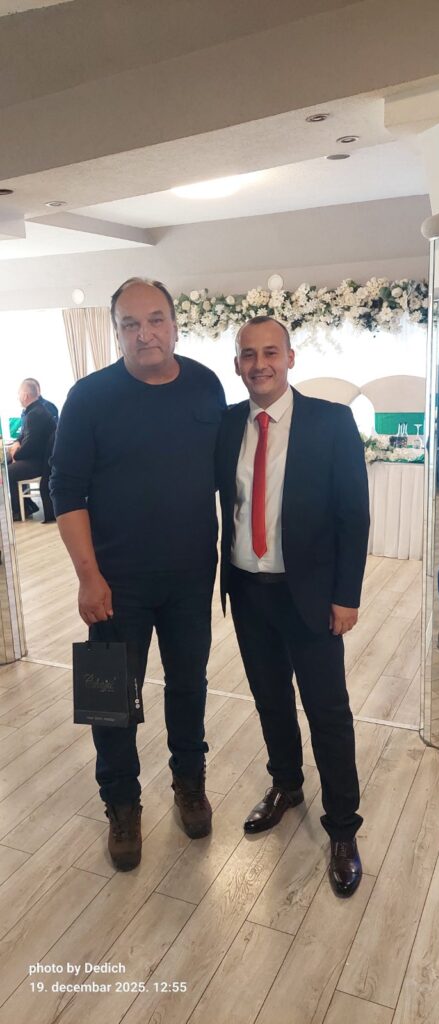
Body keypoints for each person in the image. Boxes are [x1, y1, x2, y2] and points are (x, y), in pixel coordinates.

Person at [50, 278, 225, 871]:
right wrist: (87, 577)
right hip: (113, 581)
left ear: (175, 324)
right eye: (130, 323)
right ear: (116, 330)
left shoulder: (205, 384)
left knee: (189, 685)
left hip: (191, 576)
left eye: (155, 320)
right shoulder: (88, 397)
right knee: (108, 699)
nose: (144, 333)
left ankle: (190, 783)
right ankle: (121, 803)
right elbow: (66, 490)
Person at [216, 316, 370, 898]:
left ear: (290, 357)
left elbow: (353, 515)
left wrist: (346, 595)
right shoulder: (227, 424)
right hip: (248, 590)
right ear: (237, 363)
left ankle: (343, 827)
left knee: (328, 712)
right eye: (248, 354)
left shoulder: (331, 422)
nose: (260, 364)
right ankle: (286, 783)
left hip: (309, 595)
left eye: (270, 352)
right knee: (270, 699)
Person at [7, 379, 56, 521]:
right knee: (8, 464)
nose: (18, 398)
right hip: (38, 458)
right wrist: (16, 443)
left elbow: (30, 446)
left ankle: (19, 510)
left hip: (39, 462)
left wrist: (16, 454)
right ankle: (27, 506)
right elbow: (24, 436)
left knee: (7, 472)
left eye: (19, 394)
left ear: (25, 395)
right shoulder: (36, 411)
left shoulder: (35, 414)